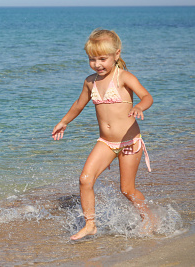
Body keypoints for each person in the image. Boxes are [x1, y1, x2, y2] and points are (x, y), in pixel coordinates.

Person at [52, 29, 153, 241]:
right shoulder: (90, 82)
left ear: (116, 55)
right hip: (106, 142)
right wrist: (64, 122)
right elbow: (79, 105)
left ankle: (149, 218)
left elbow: (146, 96)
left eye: (102, 59)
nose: (97, 64)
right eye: (92, 59)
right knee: (85, 180)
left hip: (129, 142)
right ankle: (90, 225)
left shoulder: (123, 77)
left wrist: (140, 108)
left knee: (127, 189)